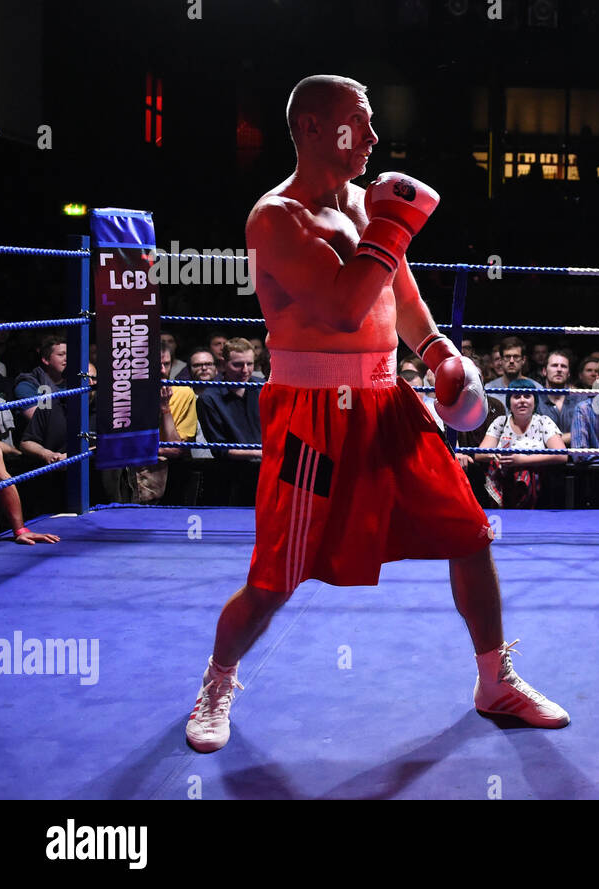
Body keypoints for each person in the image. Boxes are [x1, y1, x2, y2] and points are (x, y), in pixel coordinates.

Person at [185, 74, 567, 755]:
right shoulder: (276, 218)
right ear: (308, 128)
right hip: (312, 415)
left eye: (369, 124)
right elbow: (342, 305)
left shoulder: (368, 205)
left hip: (389, 401)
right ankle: (217, 681)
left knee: (470, 534)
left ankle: (493, 681)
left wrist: (440, 352)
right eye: (356, 122)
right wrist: (392, 226)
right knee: (274, 579)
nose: (372, 136)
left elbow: (406, 299)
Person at [477, 378, 566, 507]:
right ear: (509, 402)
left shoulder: (543, 422)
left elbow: (561, 455)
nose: (522, 400)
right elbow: (479, 454)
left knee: (525, 472)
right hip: (503, 479)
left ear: (535, 401)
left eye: (527, 396)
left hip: (537, 485)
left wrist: (522, 460)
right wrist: (495, 456)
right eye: (517, 396)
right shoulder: (500, 422)